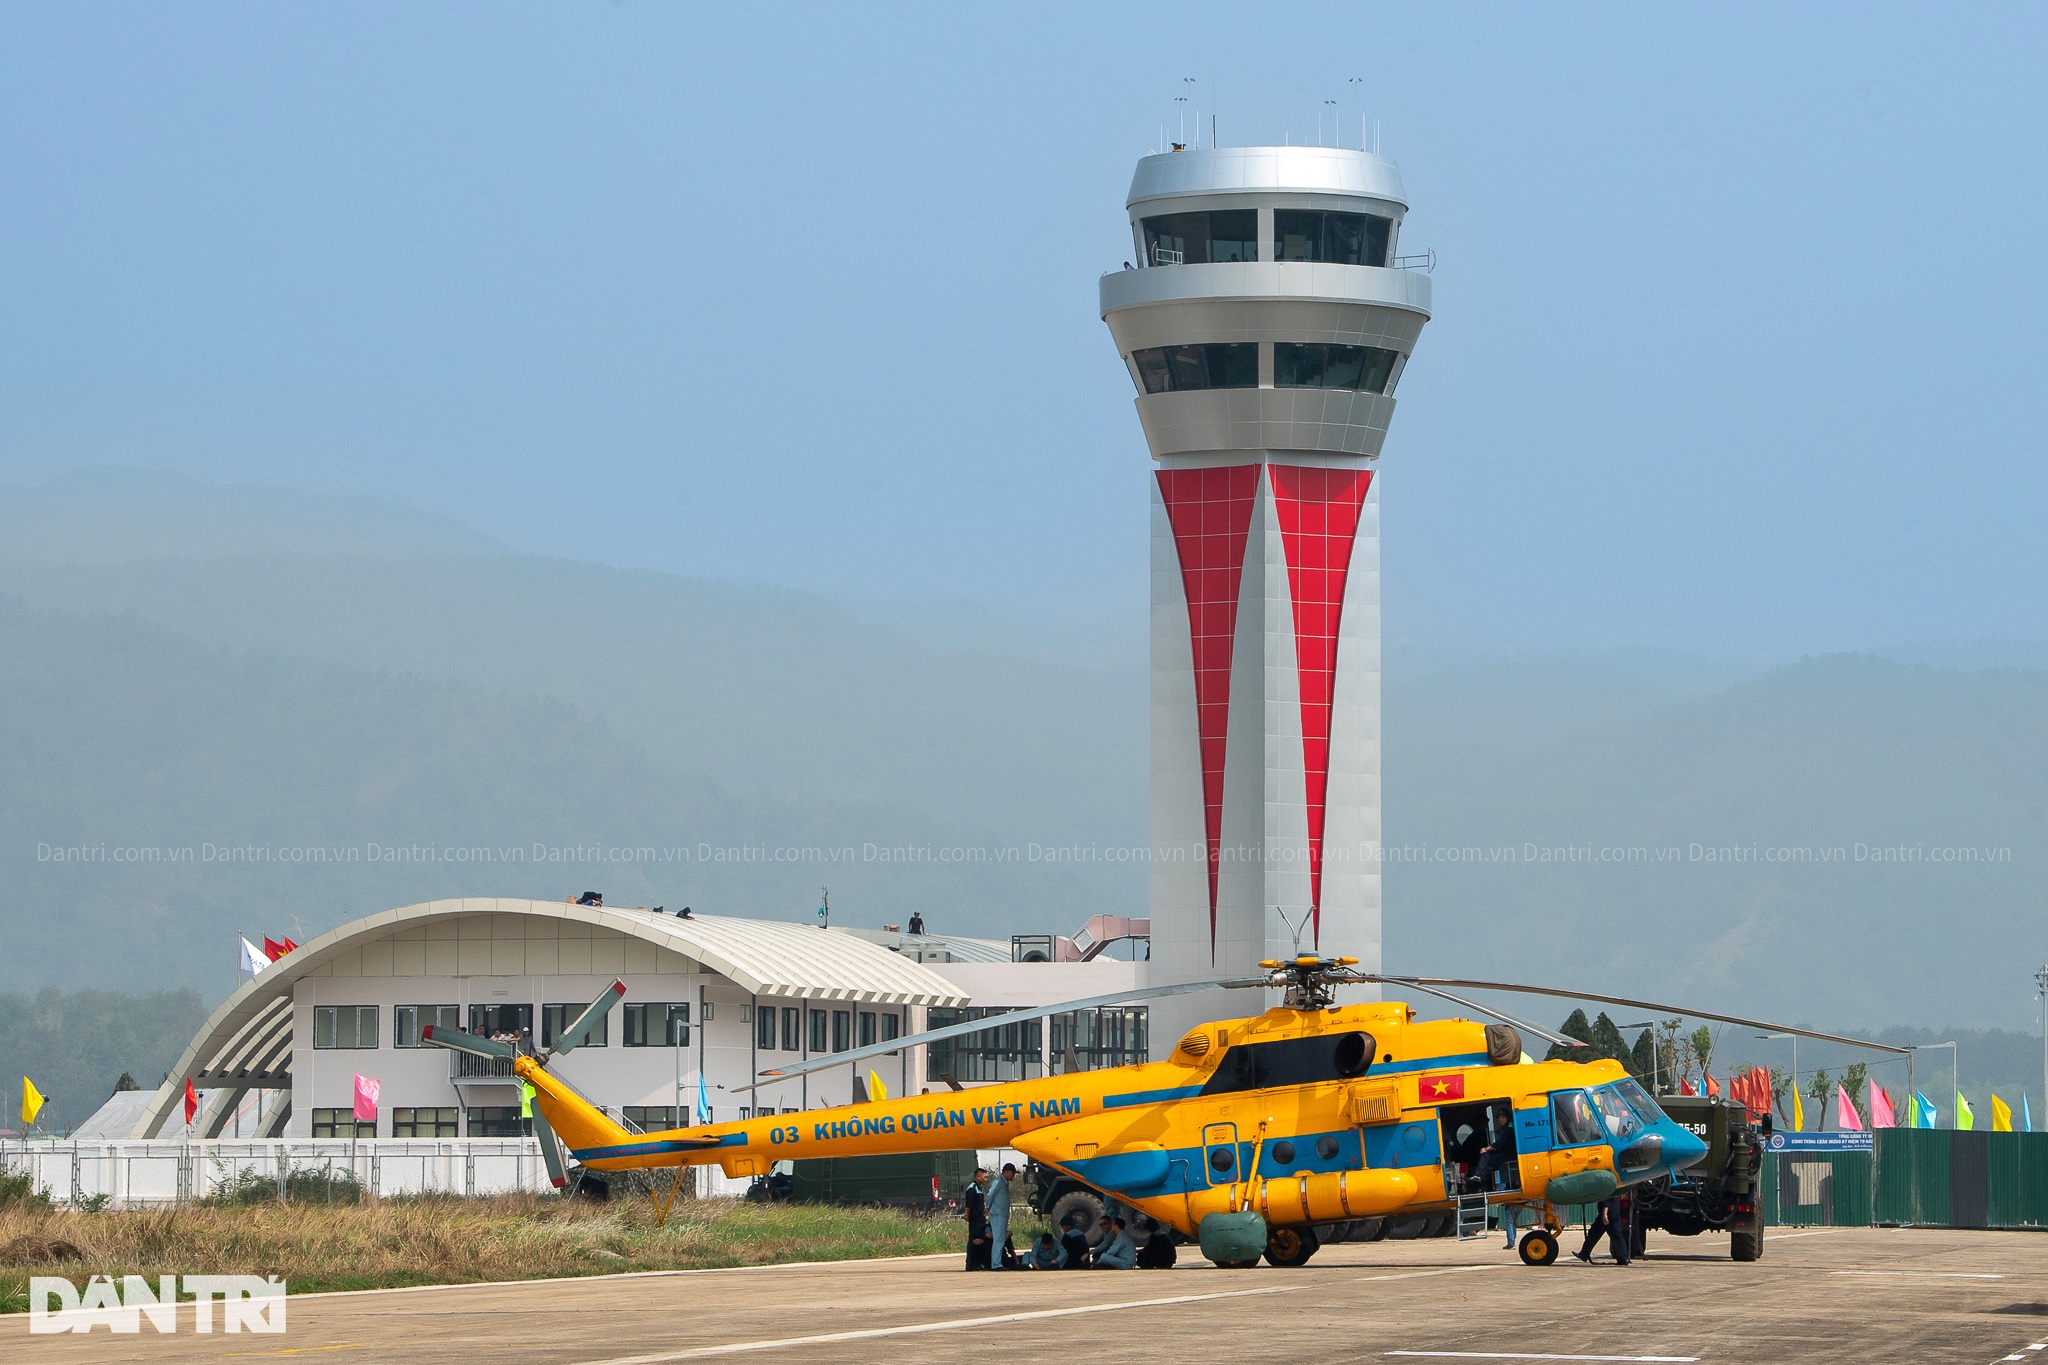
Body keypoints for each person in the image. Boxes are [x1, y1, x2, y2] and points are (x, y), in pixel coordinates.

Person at [1470, 1104, 1519, 1192]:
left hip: (1509, 1154)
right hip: (1504, 1153)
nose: (1501, 1119)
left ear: (1508, 1118)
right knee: (1487, 1157)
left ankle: (1480, 1181)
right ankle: (1479, 1177)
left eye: (1503, 1117)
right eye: (1499, 1117)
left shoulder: (1509, 1130)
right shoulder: (1505, 1130)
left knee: (1488, 1164)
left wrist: (1487, 1148)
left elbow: (1500, 1143)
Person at [1575, 1192, 1632, 1265]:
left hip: (1606, 1217)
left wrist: (1604, 1215)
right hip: (1615, 1216)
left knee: (1593, 1234)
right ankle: (1623, 1259)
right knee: (1618, 1237)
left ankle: (1583, 1255)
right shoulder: (1616, 1189)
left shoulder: (1607, 1189)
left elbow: (1606, 1202)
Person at [963, 1168, 992, 1270]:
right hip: (975, 1220)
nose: (986, 1179)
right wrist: (967, 1215)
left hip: (981, 1219)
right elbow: (969, 1204)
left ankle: (978, 1262)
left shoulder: (979, 1188)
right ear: (978, 1176)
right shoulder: (972, 1188)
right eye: (984, 1177)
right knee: (973, 1241)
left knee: (980, 1240)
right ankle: (970, 1264)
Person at [988, 1162, 1015, 1267]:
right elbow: (991, 1194)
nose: (1013, 1176)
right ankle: (996, 1264)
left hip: (1002, 1214)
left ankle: (997, 1262)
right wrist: (987, 1207)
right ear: (1007, 1172)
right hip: (998, 1214)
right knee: (999, 1239)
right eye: (1013, 1173)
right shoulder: (998, 1181)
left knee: (1000, 1239)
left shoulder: (1003, 1182)